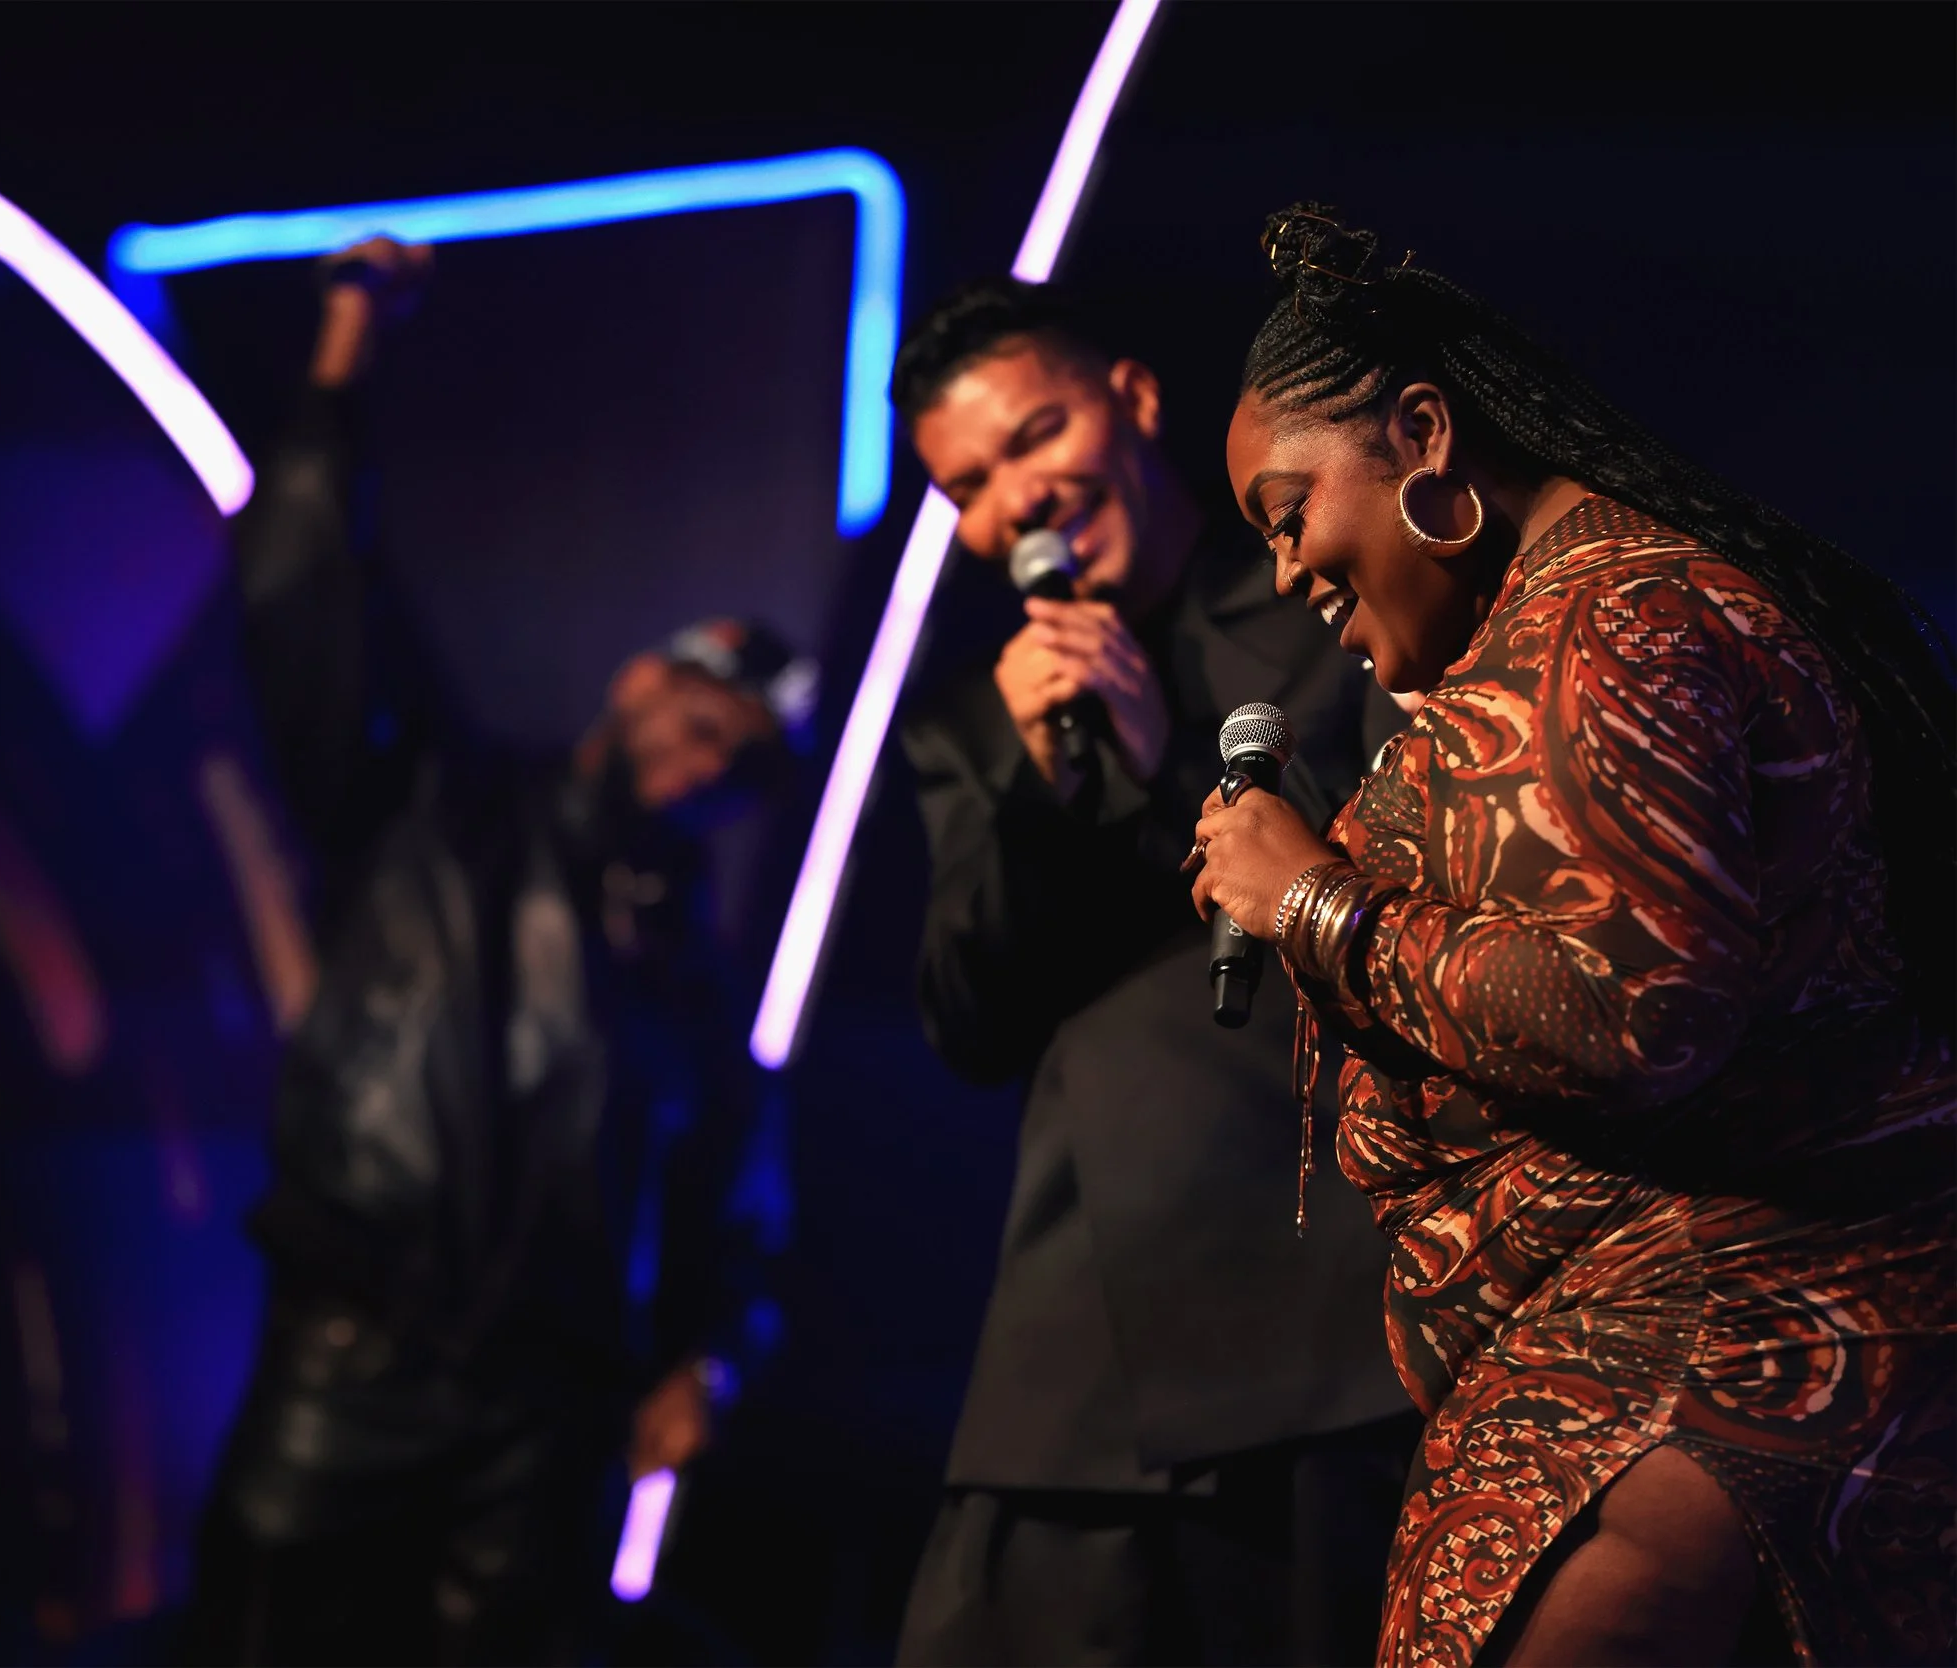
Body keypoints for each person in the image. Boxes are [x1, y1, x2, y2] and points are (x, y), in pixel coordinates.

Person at [1190, 204, 1956, 1668]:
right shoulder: (1575, 619)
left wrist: (1314, 900)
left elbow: (1634, 1011)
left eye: (1290, 515)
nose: (1288, 573)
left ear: (1423, 437)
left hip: (1711, 1351)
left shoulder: (1618, 618)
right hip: (1663, 1357)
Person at [183, 240, 801, 1667]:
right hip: (356, 1349)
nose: (706, 759)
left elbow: (738, 1195)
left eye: (741, 758)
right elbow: (307, 590)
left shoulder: (694, 970)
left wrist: (706, 1357)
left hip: (551, 1402)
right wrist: (347, 336)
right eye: (701, 716)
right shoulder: (435, 802)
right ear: (639, 681)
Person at [887, 277, 1418, 1666]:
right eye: (968, 486)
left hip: (1320, 1313)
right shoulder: (972, 724)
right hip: (1078, 1361)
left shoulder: (1329, 604)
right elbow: (968, 1014)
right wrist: (1024, 778)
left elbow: (1398, 899)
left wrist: (1162, 756)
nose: (1015, 500)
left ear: (1131, 399)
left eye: (1033, 436)